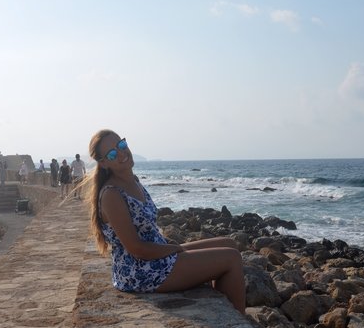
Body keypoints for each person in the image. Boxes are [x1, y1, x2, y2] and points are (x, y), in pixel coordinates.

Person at [86, 129, 246, 313]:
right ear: (104, 163)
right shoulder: (111, 194)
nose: (122, 153)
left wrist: (171, 248)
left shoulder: (133, 181)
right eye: (113, 153)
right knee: (231, 258)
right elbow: (136, 249)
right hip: (140, 271)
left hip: (156, 257)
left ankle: (226, 312)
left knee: (230, 244)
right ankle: (242, 325)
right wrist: (174, 249)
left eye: (121, 144)